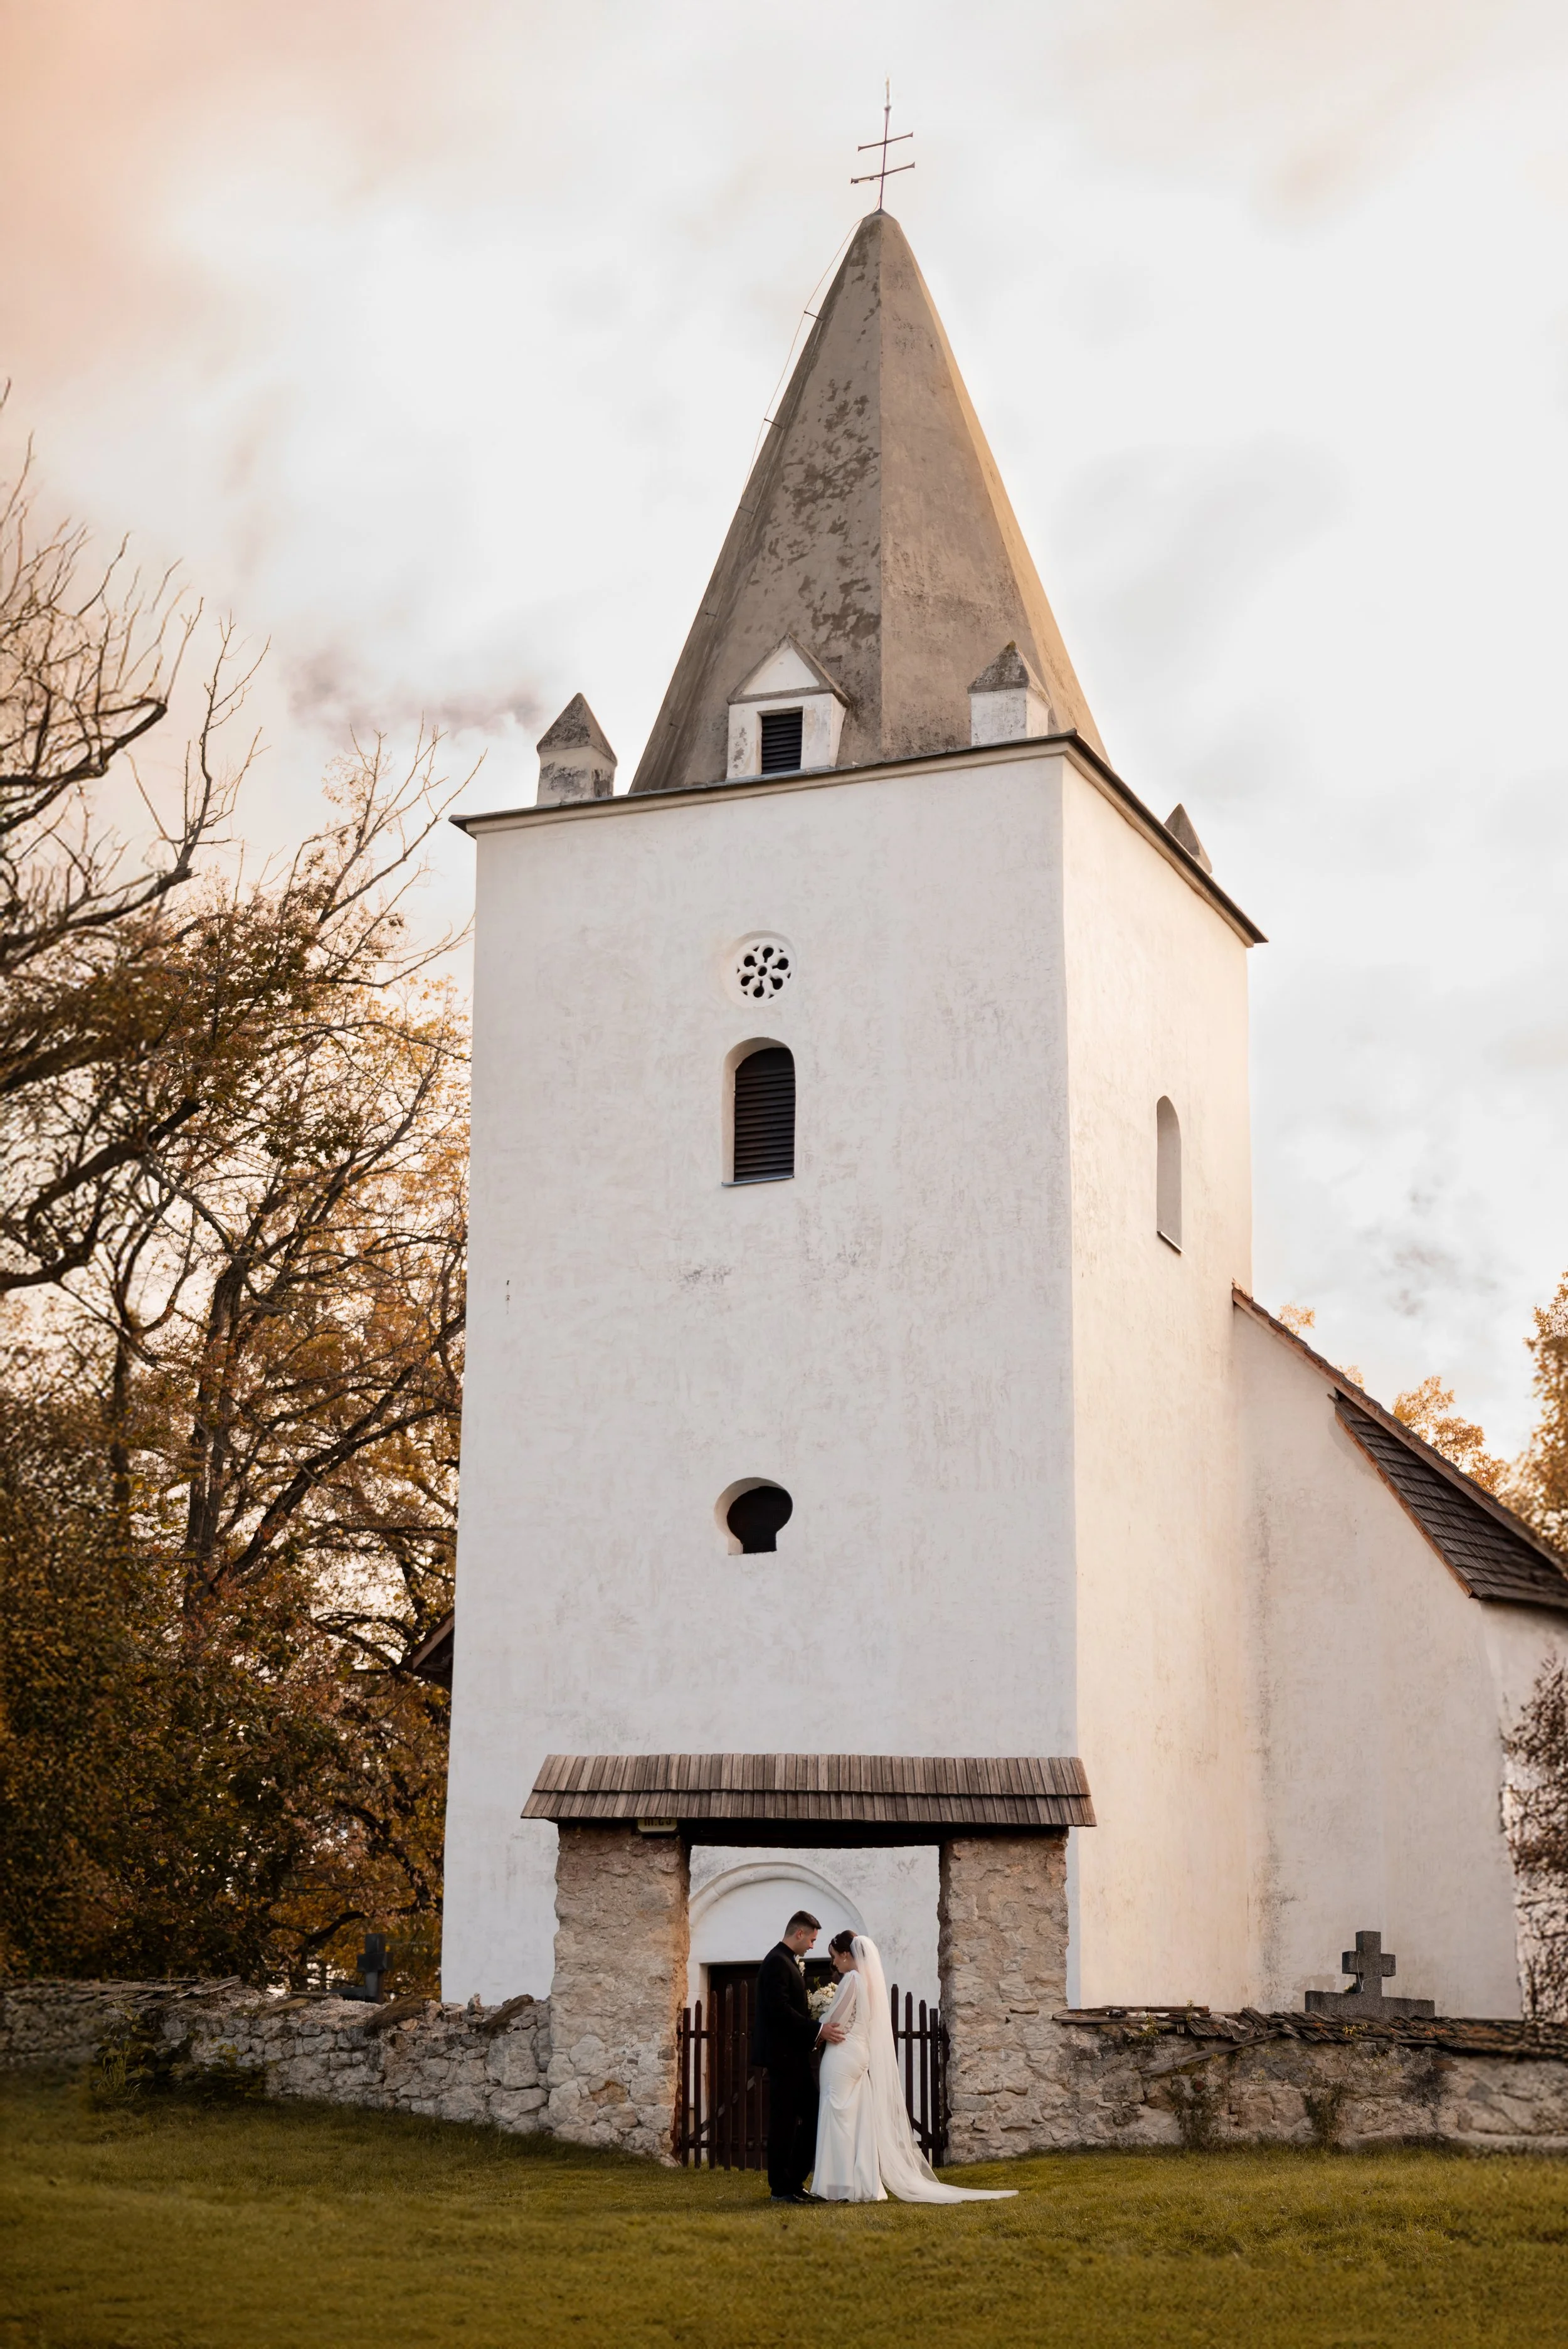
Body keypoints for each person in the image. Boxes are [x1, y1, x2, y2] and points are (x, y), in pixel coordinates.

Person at [811, 1931, 1016, 2203]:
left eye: (835, 1957)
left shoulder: (852, 1979)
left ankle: (836, 2185)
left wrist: (820, 2018)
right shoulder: (870, 1982)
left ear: (847, 1955)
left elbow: (837, 2019)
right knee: (856, 2118)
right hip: (860, 2054)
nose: (834, 1963)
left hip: (843, 2054)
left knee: (836, 2115)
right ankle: (859, 2183)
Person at [753, 1909, 843, 2203]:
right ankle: (781, 2187)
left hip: (795, 2056)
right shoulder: (776, 1962)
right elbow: (779, 2011)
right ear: (799, 1933)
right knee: (784, 2123)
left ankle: (793, 2183)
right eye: (812, 1940)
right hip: (783, 2058)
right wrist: (817, 2030)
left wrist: (813, 2034)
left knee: (811, 2115)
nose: (812, 1946)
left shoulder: (786, 1961)